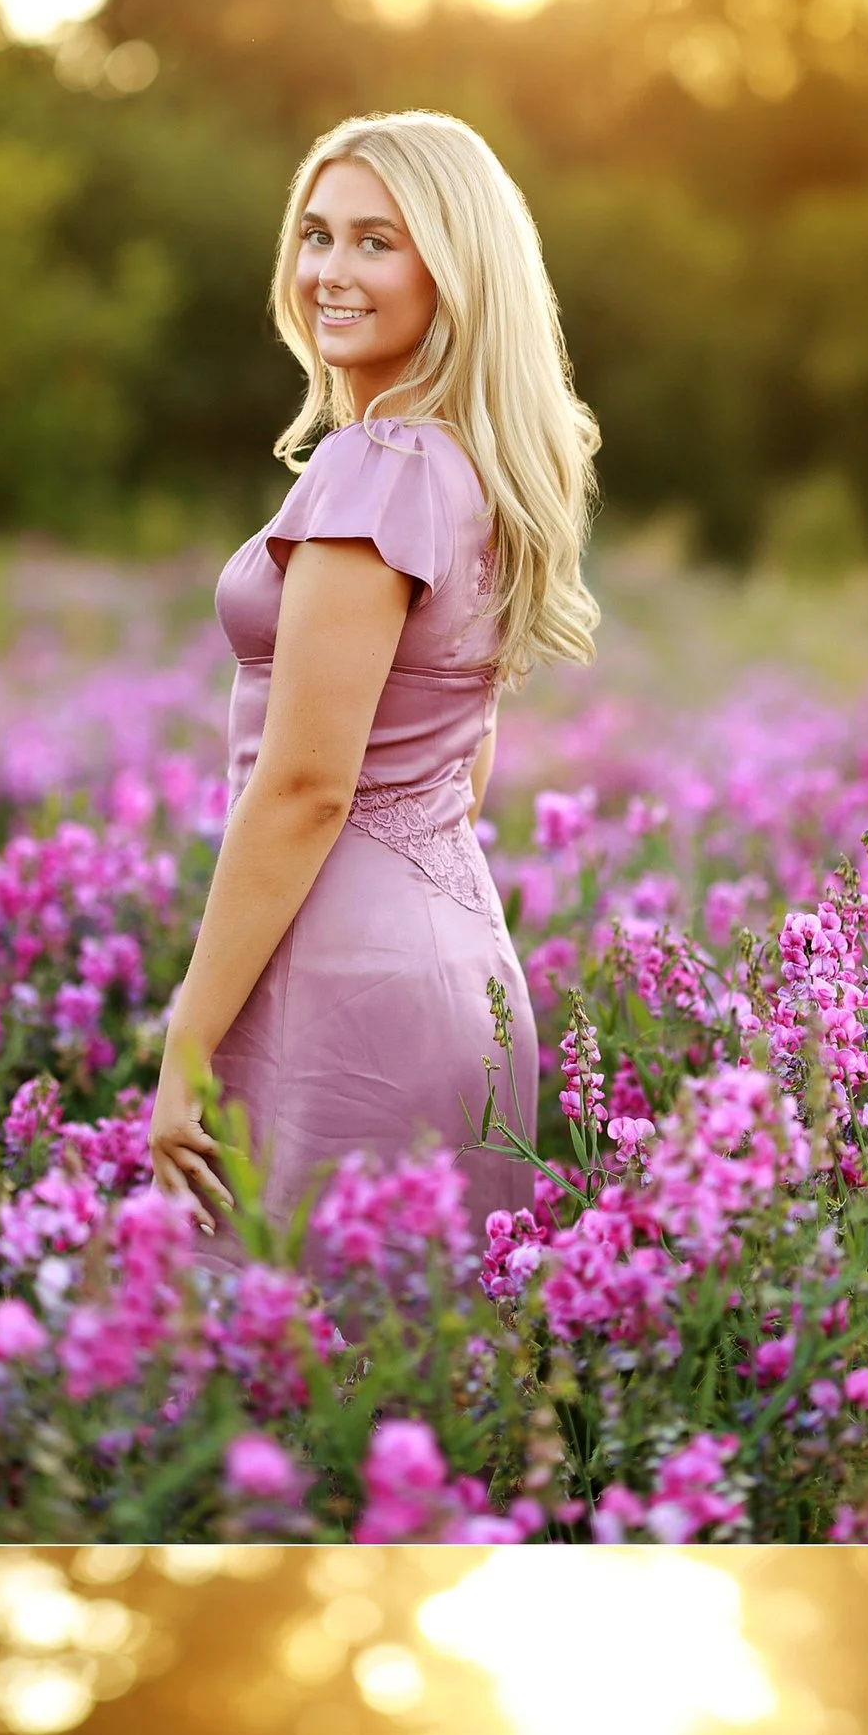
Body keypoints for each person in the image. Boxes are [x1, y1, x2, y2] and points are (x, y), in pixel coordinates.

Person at [148, 112, 597, 1244]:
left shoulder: (378, 469)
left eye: (374, 242)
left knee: (288, 1374)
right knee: (429, 1382)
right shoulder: (476, 466)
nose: (327, 274)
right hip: (460, 971)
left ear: (451, 272)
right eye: (315, 234)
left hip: (334, 977)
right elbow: (465, 756)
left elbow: (307, 790)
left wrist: (186, 1038)